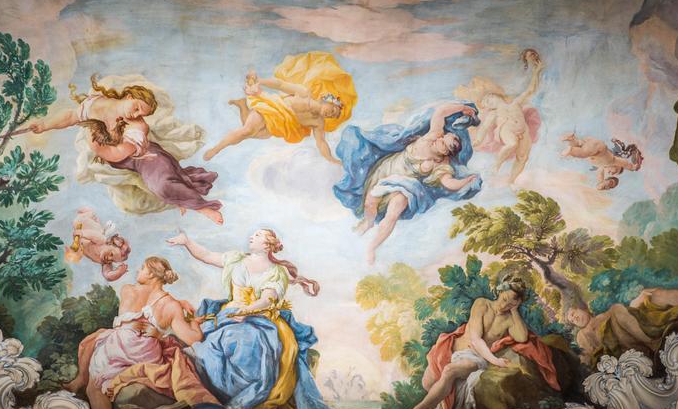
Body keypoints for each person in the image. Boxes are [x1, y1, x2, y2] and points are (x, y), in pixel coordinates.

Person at [165, 229, 348, 409]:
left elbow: (267, 299)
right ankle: (217, 389)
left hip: (259, 318)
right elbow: (207, 255)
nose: (252, 237)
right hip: (229, 315)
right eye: (253, 234)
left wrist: (247, 311)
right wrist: (187, 241)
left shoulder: (276, 271)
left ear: (268, 244)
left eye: (258, 235)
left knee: (245, 341)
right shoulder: (236, 259)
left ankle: (240, 396)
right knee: (210, 340)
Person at [26, 74, 224, 224]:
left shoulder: (138, 127)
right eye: (136, 107)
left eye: (141, 113)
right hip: (128, 162)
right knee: (157, 191)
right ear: (128, 96)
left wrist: (98, 149)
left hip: (149, 160)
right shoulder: (95, 103)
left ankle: (202, 207)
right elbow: (70, 116)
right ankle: (183, 198)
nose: (136, 114)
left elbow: (119, 153)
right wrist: (45, 125)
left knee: (162, 186)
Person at [83, 256, 220, 409]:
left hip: (121, 348)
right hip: (147, 354)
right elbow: (193, 339)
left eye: (142, 268)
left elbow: (128, 315)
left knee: (93, 385)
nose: (138, 271)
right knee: (98, 341)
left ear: (151, 274)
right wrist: (193, 322)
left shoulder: (127, 290)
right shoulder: (171, 305)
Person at [334, 101, 483, 264]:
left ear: (446, 151)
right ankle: (368, 222)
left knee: (392, 215)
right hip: (387, 172)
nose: (439, 139)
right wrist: (463, 108)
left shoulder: (441, 164)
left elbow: (449, 183)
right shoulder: (433, 135)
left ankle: (372, 247)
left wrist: (466, 181)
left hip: (404, 188)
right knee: (370, 203)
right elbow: (440, 112)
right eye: (443, 137)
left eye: (443, 142)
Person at [402, 276, 560, 409]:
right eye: (505, 299)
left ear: (517, 304)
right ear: (500, 291)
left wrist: (514, 311)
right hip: (452, 349)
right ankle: (440, 405)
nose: (504, 305)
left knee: (450, 371)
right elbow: (475, 339)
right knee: (427, 383)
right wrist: (495, 360)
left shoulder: (509, 320)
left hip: (474, 357)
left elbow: (522, 337)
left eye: (511, 304)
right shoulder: (482, 304)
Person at [204, 51, 357, 163]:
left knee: (251, 134)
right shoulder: (305, 93)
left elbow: (321, 142)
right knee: (247, 131)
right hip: (271, 109)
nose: (330, 114)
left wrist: (331, 159)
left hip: (278, 127)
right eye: (332, 110)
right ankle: (216, 149)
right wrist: (260, 81)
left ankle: (243, 106)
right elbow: (281, 85)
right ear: (328, 100)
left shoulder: (318, 122)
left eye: (332, 116)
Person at [567, 279, 678, 365]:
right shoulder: (582, 335)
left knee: (650, 294)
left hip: (633, 324)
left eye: (573, 314)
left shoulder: (602, 316)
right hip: (623, 345)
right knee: (616, 309)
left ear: (582, 308)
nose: (575, 319)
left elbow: (627, 312)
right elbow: (592, 357)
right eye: (572, 320)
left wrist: (639, 298)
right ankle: (652, 342)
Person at [460, 49, 544, 184]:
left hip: (524, 131)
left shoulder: (515, 103)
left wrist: (536, 72)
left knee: (522, 157)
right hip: (506, 130)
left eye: (488, 99)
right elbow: (484, 127)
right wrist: (479, 139)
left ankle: (511, 181)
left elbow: (530, 90)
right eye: (486, 103)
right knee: (512, 143)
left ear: (496, 95)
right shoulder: (494, 113)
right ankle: (496, 165)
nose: (488, 102)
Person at [65, 207, 131, 281]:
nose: (109, 258)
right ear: (109, 243)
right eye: (111, 254)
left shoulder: (105, 261)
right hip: (85, 226)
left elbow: (107, 275)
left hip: (81, 243)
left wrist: (119, 272)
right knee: (77, 221)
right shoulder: (102, 241)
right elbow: (93, 235)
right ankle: (90, 213)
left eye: (112, 260)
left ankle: (94, 218)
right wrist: (82, 233)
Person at [560, 133, 643, 190]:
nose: (611, 173)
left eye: (611, 174)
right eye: (615, 171)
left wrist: (602, 184)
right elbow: (625, 164)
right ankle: (571, 150)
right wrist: (632, 167)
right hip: (598, 147)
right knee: (583, 153)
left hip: (589, 146)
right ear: (618, 166)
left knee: (579, 147)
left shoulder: (602, 167)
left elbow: (600, 177)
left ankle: (571, 139)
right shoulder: (613, 160)